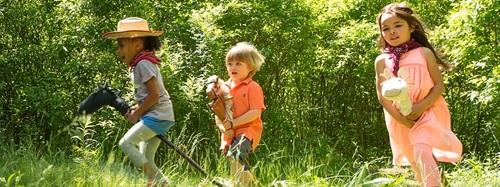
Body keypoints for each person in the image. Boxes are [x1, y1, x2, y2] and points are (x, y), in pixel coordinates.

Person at [374, 3, 462, 187]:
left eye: (398, 25)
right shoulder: (382, 60)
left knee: (422, 151)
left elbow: (439, 86)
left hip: (427, 111)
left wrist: (420, 107)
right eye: (386, 29)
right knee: (418, 164)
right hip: (400, 119)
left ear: (411, 27)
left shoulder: (424, 53)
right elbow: (382, 95)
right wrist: (400, 118)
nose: (392, 32)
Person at [103, 17, 174, 187]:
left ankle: (162, 183)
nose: (118, 50)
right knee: (146, 159)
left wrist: (137, 113)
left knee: (126, 143)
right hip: (158, 114)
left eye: (121, 45)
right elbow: (149, 97)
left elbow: (154, 96)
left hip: (158, 115)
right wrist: (138, 108)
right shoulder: (140, 63)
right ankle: (155, 183)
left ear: (137, 44)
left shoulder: (143, 63)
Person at [217, 42, 265, 186]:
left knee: (235, 154)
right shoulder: (223, 88)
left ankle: (238, 184)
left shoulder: (253, 87)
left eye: (238, 64)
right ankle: (250, 184)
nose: (233, 67)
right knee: (234, 161)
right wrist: (222, 127)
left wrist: (234, 123)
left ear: (250, 67)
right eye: (230, 64)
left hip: (248, 130)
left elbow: (255, 112)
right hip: (229, 131)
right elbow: (217, 111)